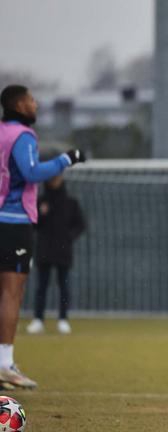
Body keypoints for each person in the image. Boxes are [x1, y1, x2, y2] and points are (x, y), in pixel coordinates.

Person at [0, 84, 86, 390]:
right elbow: (33, 172)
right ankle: (5, 365)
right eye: (32, 100)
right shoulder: (22, 136)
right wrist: (67, 159)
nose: (36, 105)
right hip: (14, 221)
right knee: (12, 293)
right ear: (19, 105)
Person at [26, 174, 86, 335]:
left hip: (63, 251)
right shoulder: (40, 201)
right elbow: (33, 224)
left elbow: (80, 224)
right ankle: (38, 319)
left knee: (64, 287)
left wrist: (69, 237)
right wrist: (41, 214)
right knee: (41, 287)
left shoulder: (70, 203)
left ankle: (63, 320)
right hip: (44, 250)